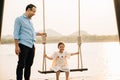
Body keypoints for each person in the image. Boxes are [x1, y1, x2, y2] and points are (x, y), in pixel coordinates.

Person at [13, 4, 46, 80]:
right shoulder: (19, 19)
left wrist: (40, 34)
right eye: (33, 11)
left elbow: (32, 32)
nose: (34, 13)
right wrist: (16, 46)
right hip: (23, 45)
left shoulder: (30, 21)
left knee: (29, 65)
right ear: (28, 10)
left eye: (35, 12)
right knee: (21, 64)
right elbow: (16, 33)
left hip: (31, 45)